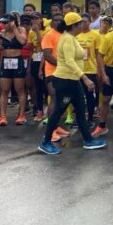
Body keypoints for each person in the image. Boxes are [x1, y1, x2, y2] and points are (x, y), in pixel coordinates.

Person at [38, 12, 107, 155]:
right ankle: (45, 142)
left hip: (73, 81)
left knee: (81, 110)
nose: (83, 25)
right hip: (65, 81)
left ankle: (88, 140)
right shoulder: (68, 39)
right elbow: (69, 61)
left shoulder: (71, 38)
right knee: (58, 111)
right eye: (80, 23)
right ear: (74, 25)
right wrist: (85, 78)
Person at [0, 13, 29, 126]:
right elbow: (3, 49)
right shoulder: (3, 32)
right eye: (2, 22)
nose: (3, 24)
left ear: (12, 22)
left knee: (20, 89)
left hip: (17, 60)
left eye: (5, 22)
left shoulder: (20, 29)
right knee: (4, 89)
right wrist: (0, 61)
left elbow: (22, 41)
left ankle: (21, 115)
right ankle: (3, 116)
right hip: (6, 61)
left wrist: (14, 29)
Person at [41, 13, 71, 142]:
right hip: (52, 73)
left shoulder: (65, 35)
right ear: (51, 22)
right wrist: (62, 65)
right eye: (55, 20)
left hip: (65, 73)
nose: (58, 22)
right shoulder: (49, 35)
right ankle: (51, 131)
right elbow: (47, 55)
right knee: (53, 98)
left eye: (60, 20)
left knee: (60, 100)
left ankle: (56, 126)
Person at [76, 13, 101, 129]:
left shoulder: (95, 35)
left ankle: (90, 117)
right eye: (81, 22)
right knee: (77, 96)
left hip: (90, 69)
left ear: (90, 22)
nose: (83, 24)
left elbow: (98, 54)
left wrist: (99, 70)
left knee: (89, 95)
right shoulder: (76, 34)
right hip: (77, 69)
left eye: (85, 21)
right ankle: (79, 118)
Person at [26, 13, 46, 122]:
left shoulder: (47, 31)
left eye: (36, 18)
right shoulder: (31, 32)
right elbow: (32, 49)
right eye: (32, 19)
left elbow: (44, 46)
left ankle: (49, 111)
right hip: (35, 59)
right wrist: (29, 65)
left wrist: (38, 31)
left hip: (46, 60)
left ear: (41, 19)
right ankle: (39, 110)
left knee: (46, 87)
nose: (34, 21)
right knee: (38, 87)